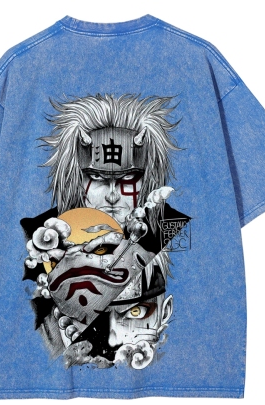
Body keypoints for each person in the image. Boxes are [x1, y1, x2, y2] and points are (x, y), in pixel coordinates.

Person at [20, 93, 190, 368]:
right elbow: (42, 336)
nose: (112, 195)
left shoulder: (162, 227)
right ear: (77, 178)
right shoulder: (41, 237)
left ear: (146, 178)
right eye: (97, 178)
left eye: (127, 178)